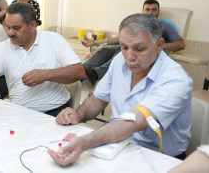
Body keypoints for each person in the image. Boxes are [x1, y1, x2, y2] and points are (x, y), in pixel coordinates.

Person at [48, 13, 192, 166]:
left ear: (159, 45)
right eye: (124, 47)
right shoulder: (119, 60)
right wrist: (78, 114)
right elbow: (98, 99)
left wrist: (85, 141)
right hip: (117, 146)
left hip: (158, 158)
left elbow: (134, 123)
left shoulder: (176, 79)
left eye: (139, 49)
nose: (129, 57)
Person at [81, 0, 186, 86]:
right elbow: (119, 39)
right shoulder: (136, 25)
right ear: (143, 11)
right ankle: (81, 70)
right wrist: (94, 43)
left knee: (121, 55)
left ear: (158, 11)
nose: (151, 12)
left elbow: (180, 44)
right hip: (124, 47)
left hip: (139, 53)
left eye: (154, 10)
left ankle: (95, 74)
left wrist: (157, 46)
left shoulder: (164, 27)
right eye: (147, 9)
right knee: (104, 50)